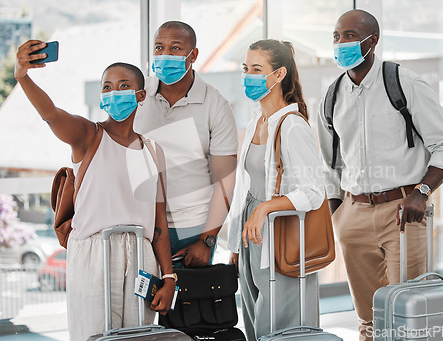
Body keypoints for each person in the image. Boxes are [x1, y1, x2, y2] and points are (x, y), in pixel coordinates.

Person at [15, 40, 176, 341]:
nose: (114, 93)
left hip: (141, 256)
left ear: (140, 95)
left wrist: (168, 278)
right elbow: (50, 114)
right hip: (94, 252)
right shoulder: (88, 136)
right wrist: (23, 76)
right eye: (107, 87)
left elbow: (160, 224)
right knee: (94, 335)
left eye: (123, 85)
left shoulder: (152, 151)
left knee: (139, 336)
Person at [316, 10, 443, 341]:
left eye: (351, 36)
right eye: (337, 36)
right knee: (368, 318)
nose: (341, 43)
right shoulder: (332, 96)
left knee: (407, 312)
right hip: (352, 215)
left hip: (402, 212)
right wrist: (334, 215)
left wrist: (422, 192)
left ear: (373, 40)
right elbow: (331, 165)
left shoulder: (404, 83)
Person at [226, 39, 325, 341]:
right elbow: (247, 185)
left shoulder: (293, 126)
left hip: (281, 237)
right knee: (255, 321)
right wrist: (235, 245)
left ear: (279, 74)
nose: (248, 76)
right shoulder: (257, 121)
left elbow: (314, 192)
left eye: (257, 69)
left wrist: (266, 208)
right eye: (246, 69)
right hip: (253, 235)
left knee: (282, 326)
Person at [134, 21, 238, 268]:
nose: (164, 55)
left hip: (191, 230)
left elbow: (225, 181)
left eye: (175, 48)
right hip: (141, 224)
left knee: (186, 306)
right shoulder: (138, 95)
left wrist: (207, 240)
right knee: (139, 305)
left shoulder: (216, 105)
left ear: (193, 55)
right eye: (159, 48)